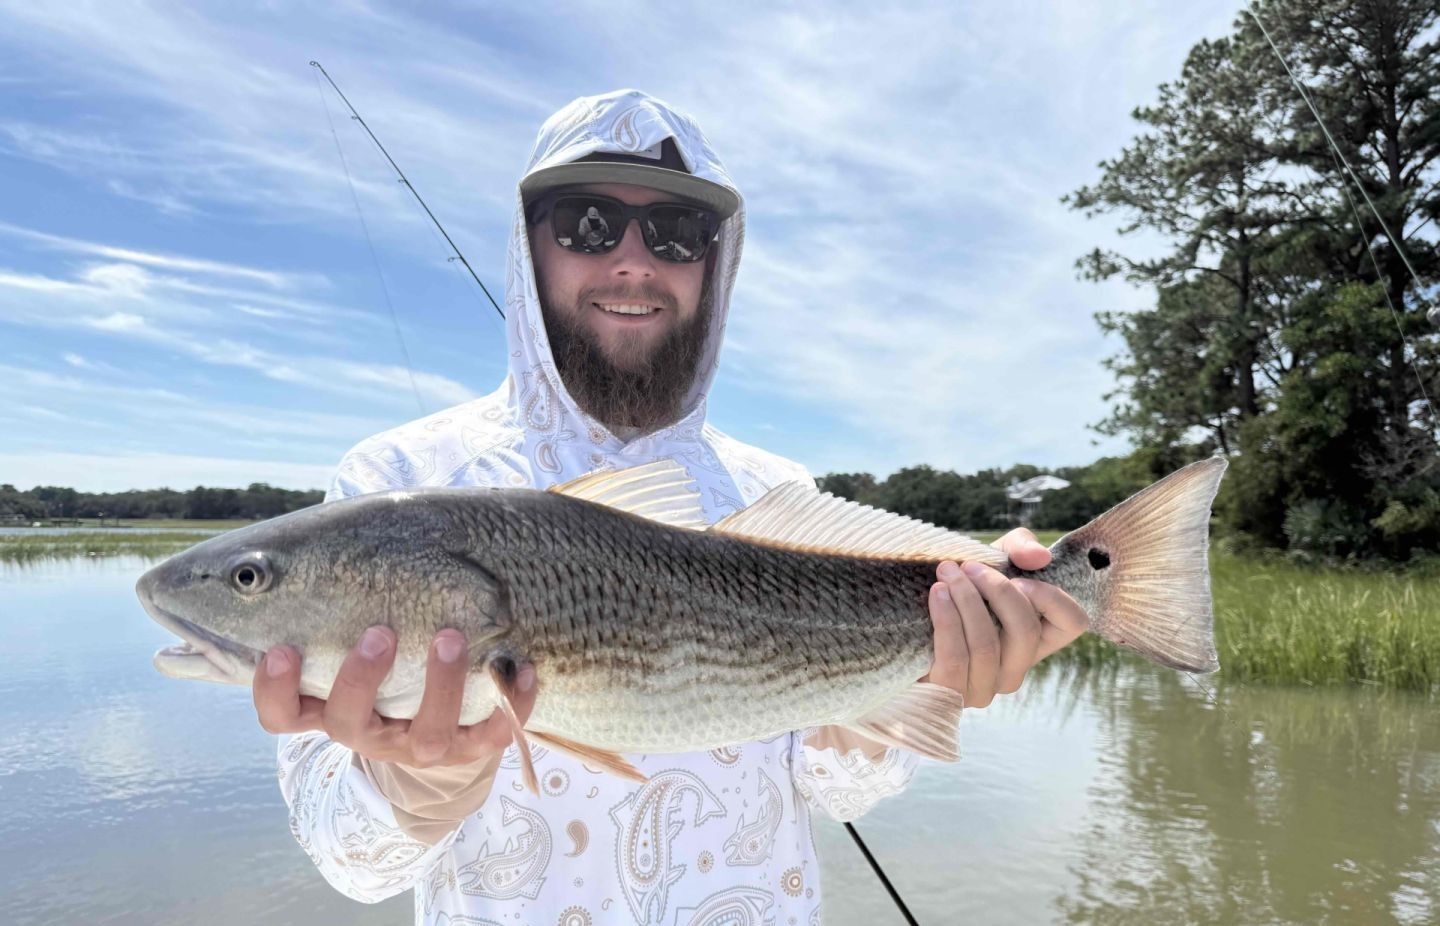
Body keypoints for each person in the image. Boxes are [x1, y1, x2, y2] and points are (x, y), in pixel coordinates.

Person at [253, 89, 1088, 925]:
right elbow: (346, 863)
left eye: (676, 234)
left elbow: (834, 789)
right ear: (527, 246)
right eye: (586, 221)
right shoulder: (398, 479)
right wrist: (411, 785)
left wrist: (908, 697)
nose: (632, 260)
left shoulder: (774, 492)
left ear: (714, 263)